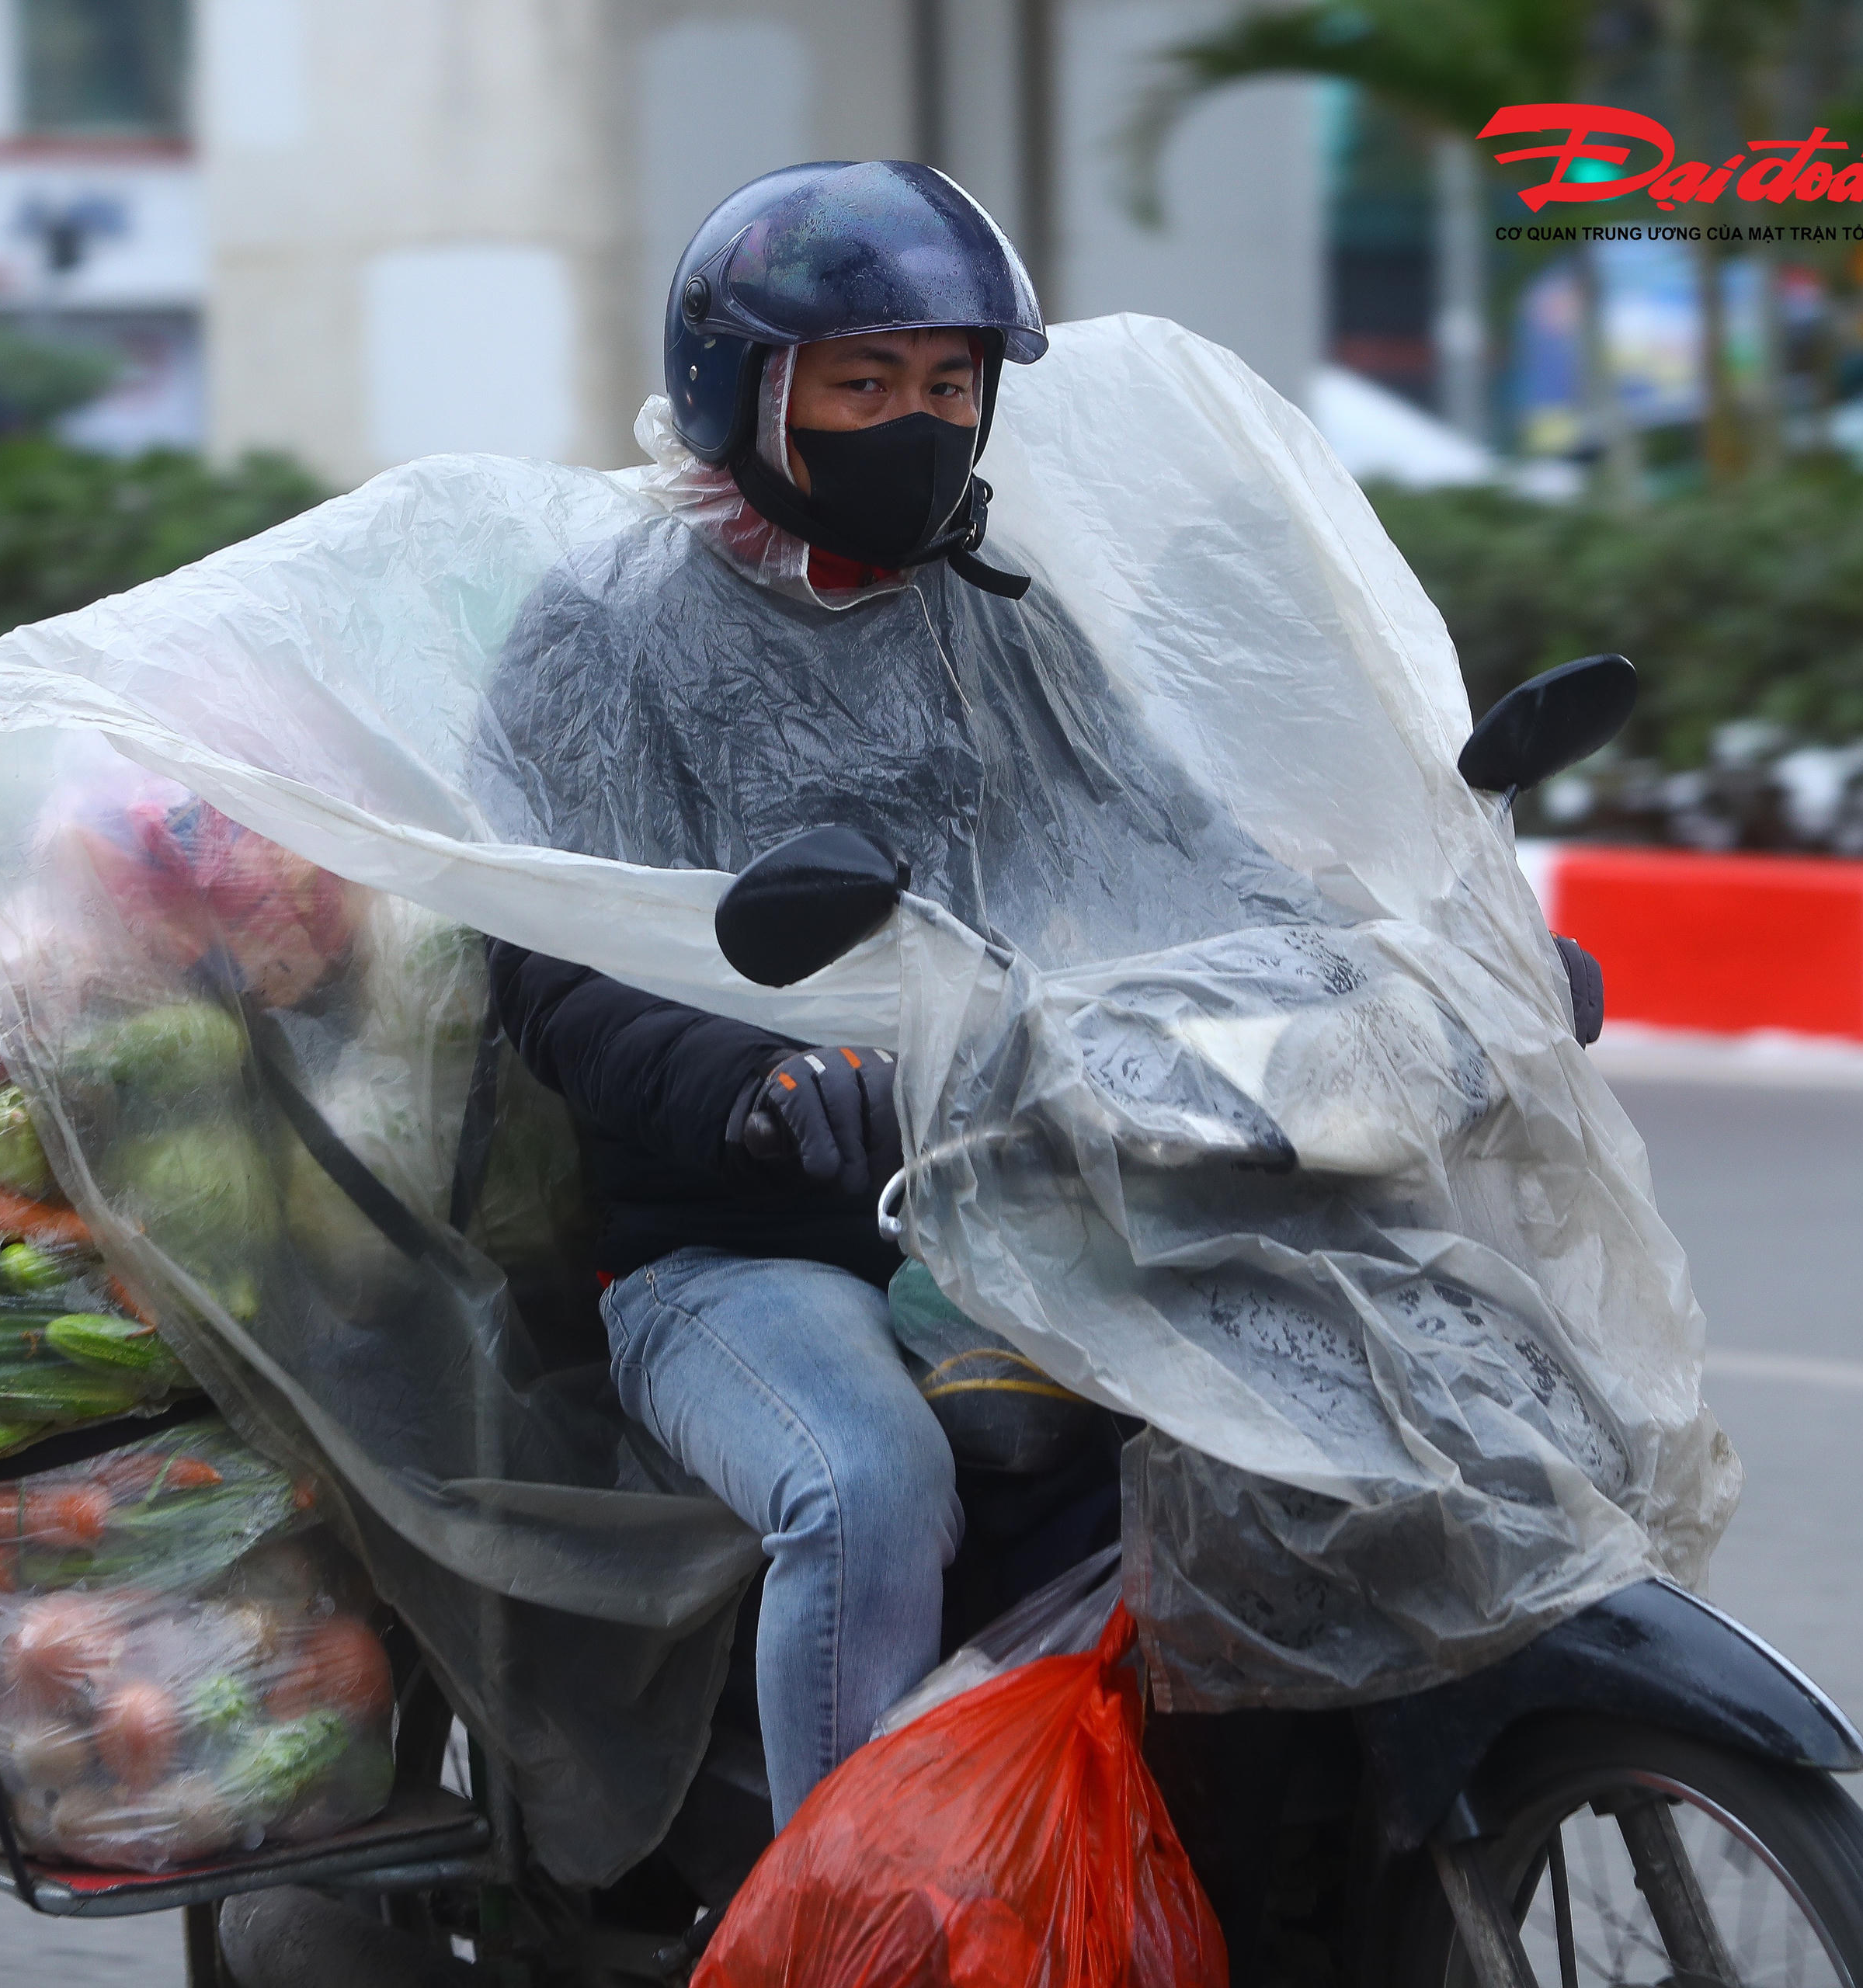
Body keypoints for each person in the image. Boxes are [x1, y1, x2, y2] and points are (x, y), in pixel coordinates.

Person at [473, 162, 1326, 1826]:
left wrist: (1397, 962)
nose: (918, 423)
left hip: (1043, 1190)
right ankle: (864, 1915)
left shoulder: (1000, 621)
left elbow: (1179, 844)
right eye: (866, 383)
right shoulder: (606, 628)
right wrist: (751, 1077)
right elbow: (547, 958)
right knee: (869, 1483)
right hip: (739, 1241)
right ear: (748, 390)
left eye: (950, 386)